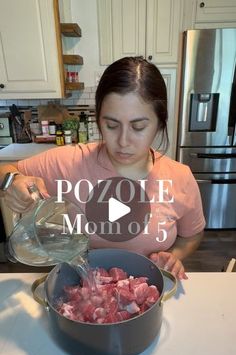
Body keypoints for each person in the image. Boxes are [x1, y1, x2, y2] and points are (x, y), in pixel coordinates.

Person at [0, 57, 205, 279]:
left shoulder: (179, 177)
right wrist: (12, 180)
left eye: (138, 127)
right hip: (87, 293)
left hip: (148, 293)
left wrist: (174, 255)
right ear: (98, 120)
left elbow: (191, 235)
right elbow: (6, 169)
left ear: (159, 123)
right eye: (111, 125)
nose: (123, 141)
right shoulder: (72, 162)